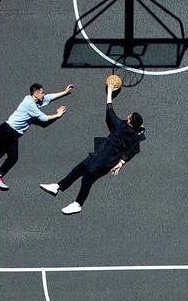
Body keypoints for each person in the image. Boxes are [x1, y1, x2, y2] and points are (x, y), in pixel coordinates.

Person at [39, 79, 145, 214]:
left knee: (88, 176)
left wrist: (110, 92)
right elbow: (134, 150)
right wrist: (121, 163)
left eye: (129, 116)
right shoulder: (134, 135)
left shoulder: (121, 127)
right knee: (79, 169)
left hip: (105, 159)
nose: (128, 115)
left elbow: (110, 111)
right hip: (102, 155)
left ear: (130, 120)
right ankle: (58, 186)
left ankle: (78, 203)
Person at [0, 82, 72, 190]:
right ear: (35, 93)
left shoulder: (34, 100)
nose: (43, 95)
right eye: (41, 93)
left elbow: (49, 98)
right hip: (9, 131)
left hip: (10, 132)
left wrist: (65, 92)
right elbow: (44, 118)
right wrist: (58, 114)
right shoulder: (30, 104)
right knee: (11, 157)